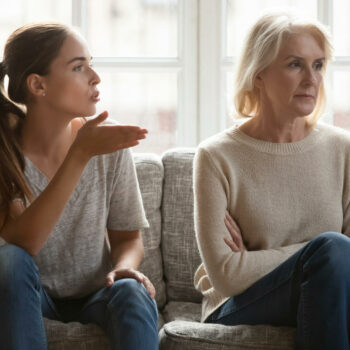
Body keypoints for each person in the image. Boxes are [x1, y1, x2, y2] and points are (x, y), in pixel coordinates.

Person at [193, 10, 350, 350]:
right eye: (295, 64)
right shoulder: (216, 156)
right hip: (239, 304)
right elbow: (226, 275)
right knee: (334, 250)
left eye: (318, 65)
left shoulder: (342, 148)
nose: (311, 78)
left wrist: (257, 259)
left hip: (325, 294)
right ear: (259, 73)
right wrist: (317, 253)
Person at [0, 23, 158, 350]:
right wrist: (80, 153)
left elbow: (128, 238)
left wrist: (125, 269)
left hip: (97, 294)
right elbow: (21, 244)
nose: (95, 77)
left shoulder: (107, 142)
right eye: (78, 67)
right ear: (38, 85)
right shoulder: (6, 153)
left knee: (132, 291)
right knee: (10, 261)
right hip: (32, 296)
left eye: (91, 63)